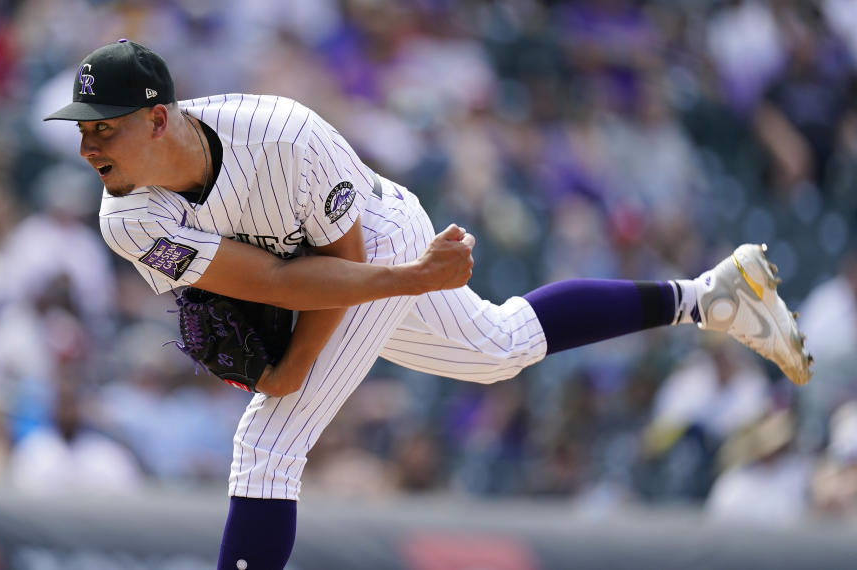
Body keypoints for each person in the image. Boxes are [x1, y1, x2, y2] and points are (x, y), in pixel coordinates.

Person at [44, 40, 813, 570]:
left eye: (101, 127)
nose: (87, 148)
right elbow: (269, 286)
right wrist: (286, 361)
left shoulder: (280, 134)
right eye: (80, 131)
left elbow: (339, 267)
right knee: (499, 346)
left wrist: (375, 307)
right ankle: (706, 296)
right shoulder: (127, 216)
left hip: (380, 243)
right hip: (325, 271)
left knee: (267, 446)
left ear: (156, 116)